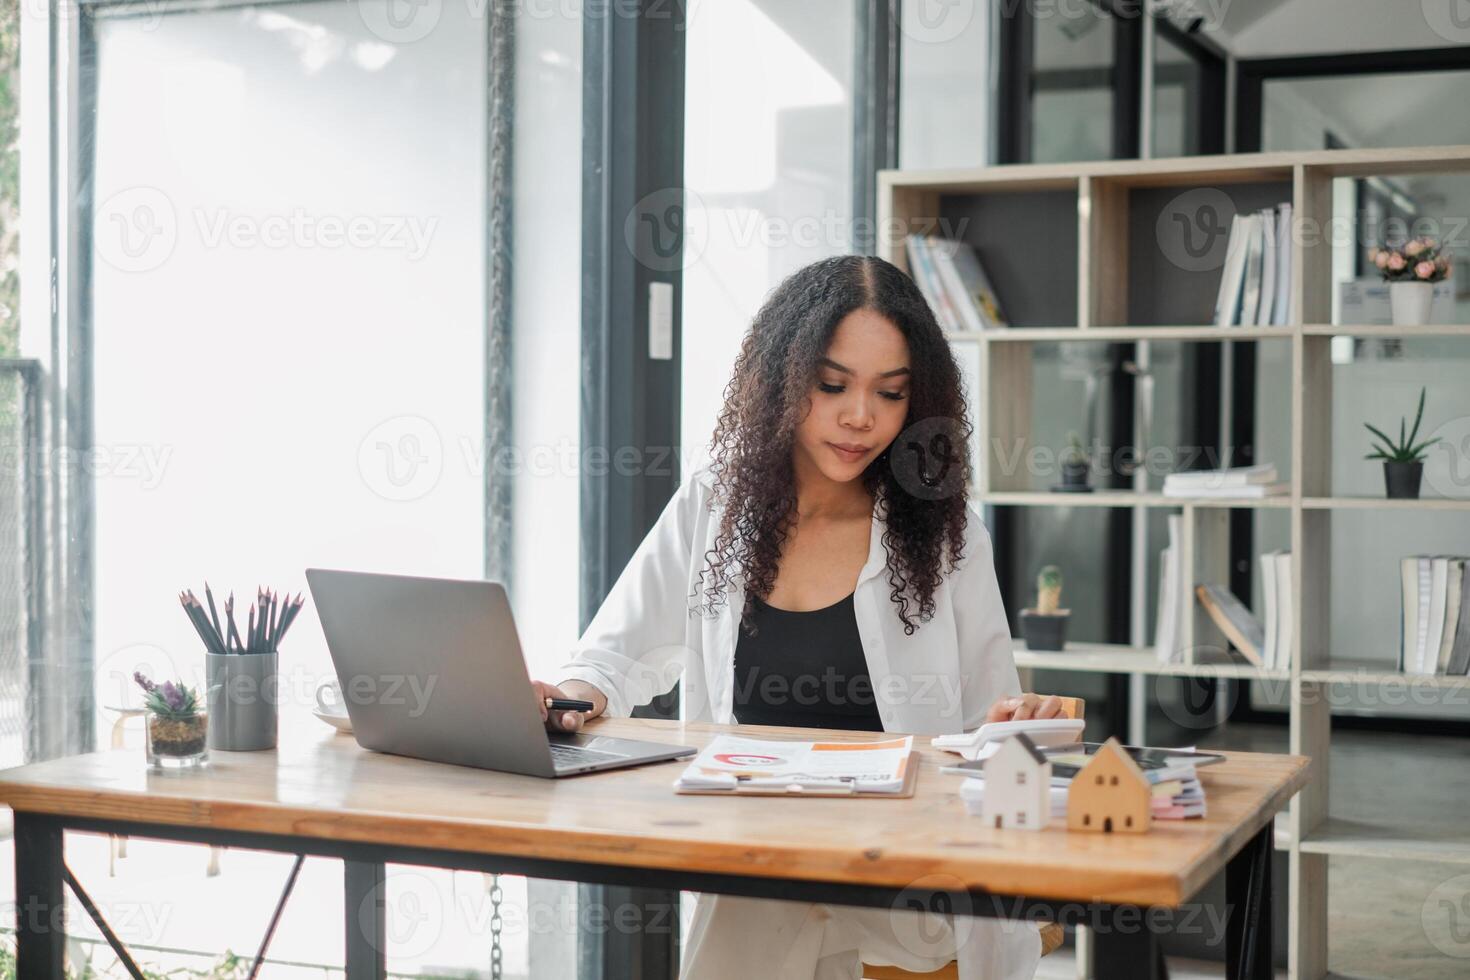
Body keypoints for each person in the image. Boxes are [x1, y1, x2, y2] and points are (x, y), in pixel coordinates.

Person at [532, 254, 1061, 980]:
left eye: (891, 393)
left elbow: (991, 728)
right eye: (832, 384)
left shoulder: (948, 534)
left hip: (902, 887)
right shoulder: (715, 505)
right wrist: (567, 701)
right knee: (755, 899)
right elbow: (610, 658)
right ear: (783, 379)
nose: (860, 416)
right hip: (760, 868)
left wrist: (1019, 725)